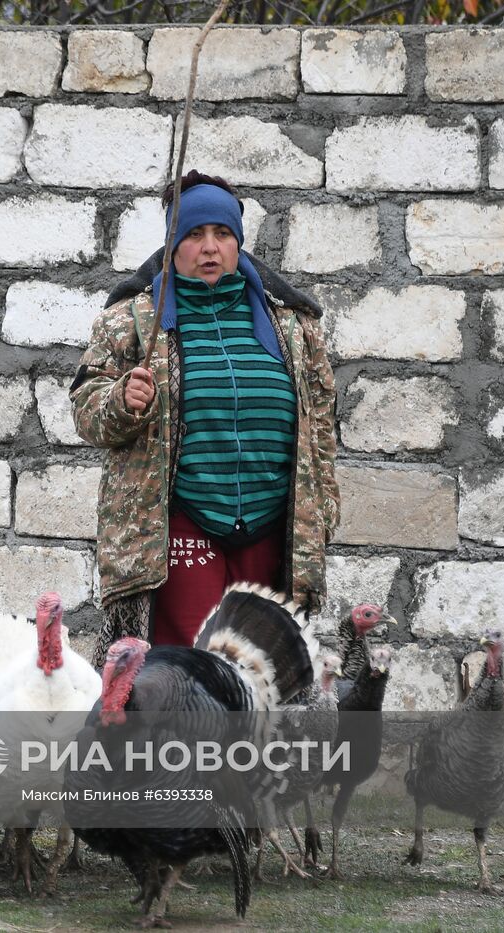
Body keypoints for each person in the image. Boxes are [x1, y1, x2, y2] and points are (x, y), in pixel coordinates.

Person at [70, 171, 339, 664]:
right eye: (194, 234)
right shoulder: (131, 322)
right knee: (189, 668)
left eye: (222, 234)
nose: (209, 247)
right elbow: (87, 414)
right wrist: (121, 402)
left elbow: (320, 429)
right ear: (172, 244)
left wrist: (321, 515)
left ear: (239, 242)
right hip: (183, 522)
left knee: (261, 672)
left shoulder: (295, 329)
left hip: (271, 523)